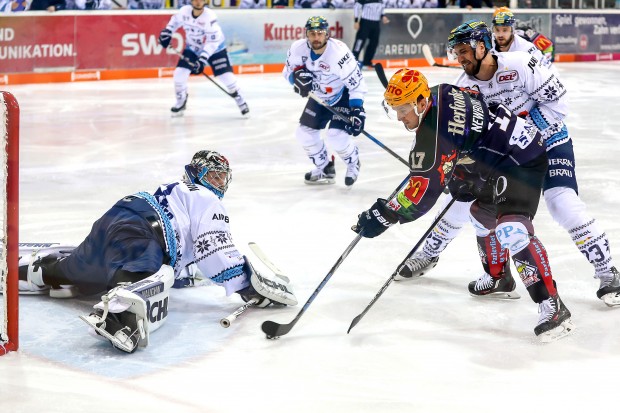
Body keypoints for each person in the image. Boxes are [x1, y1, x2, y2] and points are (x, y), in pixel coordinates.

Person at [396, 20, 620, 308]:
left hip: (549, 142)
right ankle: (430, 253)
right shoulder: (464, 87)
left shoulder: (522, 63)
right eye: (455, 53)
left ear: (481, 47)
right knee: (460, 201)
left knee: (562, 203)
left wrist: (521, 129)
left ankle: (608, 272)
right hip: (504, 157)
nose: (459, 58)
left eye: (463, 50)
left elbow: (558, 105)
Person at [353, 68, 575, 342]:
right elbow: (477, 112)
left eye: (403, 109)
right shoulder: (441, 91)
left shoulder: (434, 136)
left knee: (512, 230)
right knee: (482, 216)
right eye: (394, 109)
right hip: (495, 159)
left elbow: (422, 194)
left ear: (422, 103)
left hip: (521, 159)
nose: (400, 117)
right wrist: (461, 169)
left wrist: (386, 213)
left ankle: (553, 306)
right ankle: (499, 279)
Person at [17, 150, 297, 353]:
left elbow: (187, 245)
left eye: (222, 178)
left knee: (81, 269)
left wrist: (186, 275)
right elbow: (215, 249)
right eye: (212, 175)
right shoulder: (206, 197)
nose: (218, 183)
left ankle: (35, 269)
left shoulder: (178, 191)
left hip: (120, 215)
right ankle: (120, 317)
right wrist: (246, 285)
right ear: (196, 174)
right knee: (142, 274)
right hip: (141, 233)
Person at [283, 16, 367, 186]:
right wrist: (296, 79)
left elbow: (357, 85)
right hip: (319, 97)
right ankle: (325, 168)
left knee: (336, 136)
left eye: (320, 33)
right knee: (303, 133)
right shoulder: (298, 49)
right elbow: (286, 72)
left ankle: (353, 162)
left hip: (342, 95)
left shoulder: (339, 54)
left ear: (327, 34)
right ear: (306, 34)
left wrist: (357, 110)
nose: (316, 37)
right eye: (312, 33)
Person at [158, 0, 249, 117]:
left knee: (227, 78)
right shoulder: (184, 11)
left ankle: (240, 100)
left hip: (215, 49)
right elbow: (174, 21)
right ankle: (181, 102)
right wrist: (167, 32)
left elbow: (212, 42)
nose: (198, 1)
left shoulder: (209, 17)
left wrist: (202, 60)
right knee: (179, 75)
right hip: (193, 49)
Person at [352, 0, 390, 70]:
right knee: (359, 42)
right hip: (365, 22)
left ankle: (367, 62)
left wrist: (383, 16)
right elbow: (357, 6)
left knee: (374, 43)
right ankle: (353, 61)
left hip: (376, 23)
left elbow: (381, 8)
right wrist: (356, 21)